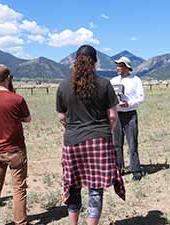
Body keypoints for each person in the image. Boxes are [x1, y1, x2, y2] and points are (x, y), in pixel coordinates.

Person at [56, 45, 125, 225]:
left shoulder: (63, 85)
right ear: (95, 61)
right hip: (99, 140)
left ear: (75, 61)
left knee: (73, 187)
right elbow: (112, 116)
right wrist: (103, 131)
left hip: (73, 141)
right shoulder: (104, 84)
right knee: (95, 189)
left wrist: (73, 128)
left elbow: (61, 117)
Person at [0, 64, 31, 225]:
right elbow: (27, 119)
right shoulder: (17, 99)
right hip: (15, 149)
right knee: (19, 188)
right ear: (8, 78)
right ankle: (20, 221)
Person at [110, 56, 145, 181]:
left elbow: (141, 98)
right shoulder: (113, 80)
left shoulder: (136, 80)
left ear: (127, 67)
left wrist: (129, 103)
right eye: (117, 65)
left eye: (120, 65)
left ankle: (136, 170)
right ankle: (119, 170)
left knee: (132, 144)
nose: (118, 67)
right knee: (116, 144)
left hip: (130, 114)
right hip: (117, 115)